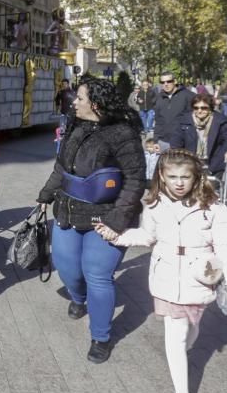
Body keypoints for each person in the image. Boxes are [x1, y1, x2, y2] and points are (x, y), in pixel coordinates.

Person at [95, 148, 227, 393]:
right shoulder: (154, 205)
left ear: (196, 178)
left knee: (191, 331)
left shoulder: (214, 208)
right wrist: (117, 235)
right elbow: (147, 236)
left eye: (185, 177)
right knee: (176, 334)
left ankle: (180, 355)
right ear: (163, 178)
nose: (179, 183)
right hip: (166, 277)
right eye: (172, 177)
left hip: (200, 278)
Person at [36, 78, 146, 364]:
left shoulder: (123, 134)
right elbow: (61, 167)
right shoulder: (76, 125)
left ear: (95, 105)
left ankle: (101, 336)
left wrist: (117, 221)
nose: (74, 102)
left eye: (80, 98)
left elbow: (135, 180)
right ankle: (78, 296)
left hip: (106, 215)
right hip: (68, 210)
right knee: (66, 265)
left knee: (97, 274)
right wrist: (45, 195)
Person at [168, 93, 227, 181]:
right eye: (196, 108)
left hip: (214, 161)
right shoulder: (184, 120)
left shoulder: (220, 121)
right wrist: (176, 152)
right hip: (190, 162)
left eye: (204, 108)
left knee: (211, 191)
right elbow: (176, 138)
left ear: (210, 108)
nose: (199, 111)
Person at [153, 72, 194, 143]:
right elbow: (158, 121)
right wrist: (156, 140)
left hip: (183, 141)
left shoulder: (188, 96)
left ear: (175, 81)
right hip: (164, 141)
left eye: (169, 81)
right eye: (162, 82)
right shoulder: (159, 98)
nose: (166, 84)